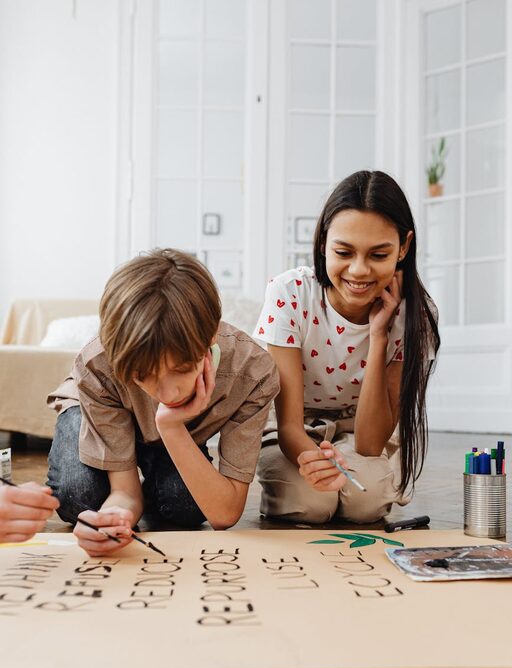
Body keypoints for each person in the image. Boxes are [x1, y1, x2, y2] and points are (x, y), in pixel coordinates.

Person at [47, 249, 279, 556]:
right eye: (143, 375)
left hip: (171, 433)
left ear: (211, 336)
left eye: (181, 370)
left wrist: (171, 426)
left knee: (184, 505)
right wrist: (116, 516)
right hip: (98, 409)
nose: (167, 395)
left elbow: (224, 514)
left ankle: (156, 480)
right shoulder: (98, 364)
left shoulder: (253, 373)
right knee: (81, 497)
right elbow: (123, 493)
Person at [253, 170, 440, 524]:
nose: (359, 270)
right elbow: (290, 426)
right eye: (344, 251)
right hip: (297, 429)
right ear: (323, 242)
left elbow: (370, 444)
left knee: (364, 504)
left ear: (404, 247)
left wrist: (379, 333)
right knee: (311, 503)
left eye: (378, 254)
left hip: (361, 432)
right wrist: (316, 463)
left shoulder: (417, 315)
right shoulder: (290, 294)